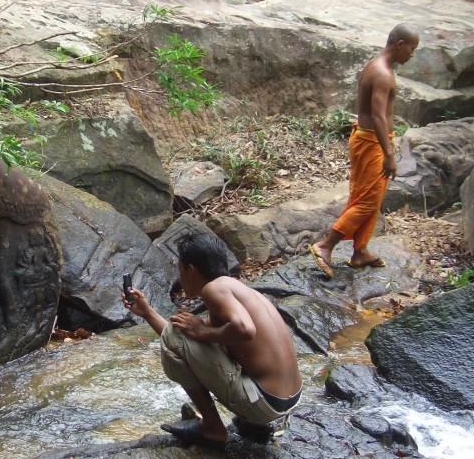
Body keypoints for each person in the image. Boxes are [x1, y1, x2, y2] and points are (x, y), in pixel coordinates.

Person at [122, 233, 302, 450]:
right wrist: (148, 313)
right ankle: (256, 426)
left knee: (185, 333)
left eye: (180, 270)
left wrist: (202, 333)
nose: (180, 278)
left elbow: (245, 329)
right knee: (188, 333)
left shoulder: (213, 289)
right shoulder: (236, 289)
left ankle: (212, 428)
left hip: (264, 402)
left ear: (191, 269)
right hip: (285, 400)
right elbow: (187, 341)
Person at [310, 23, 420, 278]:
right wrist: (389, 155)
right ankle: (325, 246)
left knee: (367, 196)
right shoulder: (382, 73)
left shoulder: (376, 64)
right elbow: (379, 117)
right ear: (400, 44)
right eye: (412, 49)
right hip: (372, 142)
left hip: (366, 138)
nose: (412, 55)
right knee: (368, 202)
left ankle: (360, 251)